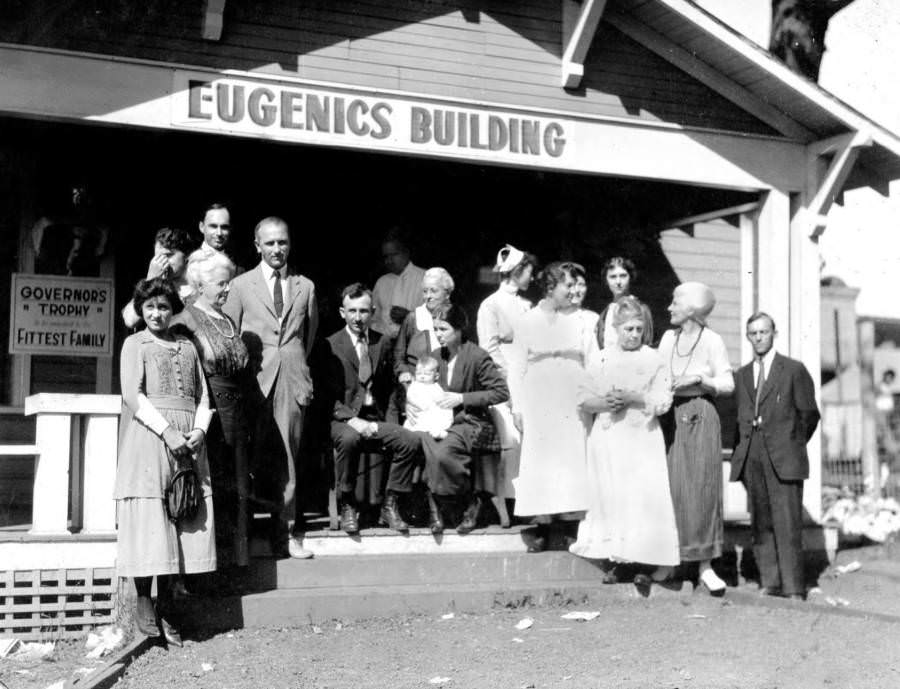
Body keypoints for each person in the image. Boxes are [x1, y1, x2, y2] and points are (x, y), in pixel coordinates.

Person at [114, 277, 215, 646]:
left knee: (182, 515)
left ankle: (169, 605)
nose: (157, 313)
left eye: (163, 306)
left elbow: (204, 396)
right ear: (141, 310)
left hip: (188, 442)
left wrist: (200, 430)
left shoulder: (187, 346)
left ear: (173, 309)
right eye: (150, 307)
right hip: (151, 437)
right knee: (151, 518)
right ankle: (144, 598)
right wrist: (167, 433)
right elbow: (133, 395)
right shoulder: (135, 344)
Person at [223, 216, 318, 559]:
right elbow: (229, 335)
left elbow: (308, 337)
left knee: (289, 457)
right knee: (250, 457)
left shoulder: (304, 286)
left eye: (283, 242)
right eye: (270, 243)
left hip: (291, 380)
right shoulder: (241, 285)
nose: (277, 249)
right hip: (254, 381)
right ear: (257, 245)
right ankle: (247, 538)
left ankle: (287, 534)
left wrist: (295, 368)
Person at [569, 296, 679, 585]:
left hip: (641, 438)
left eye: (638, 329)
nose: (633, 335)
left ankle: (646, 562)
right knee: (613, 496)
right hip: (609, 437)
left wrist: (634, 397)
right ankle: (618, 560)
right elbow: (582, 398)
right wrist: (605, 402)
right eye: (628, 329)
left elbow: (663, 400)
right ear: (616, 328)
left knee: (642, 498)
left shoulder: (653, 359)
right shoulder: (601, 358)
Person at [508, 261, 599, 551]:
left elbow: (594, 361)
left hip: (573, 397)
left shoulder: (585, 320)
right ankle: (543, 523)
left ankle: (570, 523)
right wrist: (517, 407)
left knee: (572, 457)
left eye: (576, 285)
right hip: (538, 398)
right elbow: (516, 367)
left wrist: (594, 398)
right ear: (550, 287)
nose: (574, 291)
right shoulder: (527, 320)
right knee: (542, 458)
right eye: (567, 285)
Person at [730, 312, 820, 600]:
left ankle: (794, 587)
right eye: (753, 333)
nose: (758, 338)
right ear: (748, 337)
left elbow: (809, 414)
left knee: (787, 523)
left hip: (784, 457)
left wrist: (790, 444)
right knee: (761, 522)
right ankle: (771, 582)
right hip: (753, 456)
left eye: (763, 332)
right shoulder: (742, 375)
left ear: (774, 333)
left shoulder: (793, 370)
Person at [322, 283, 420, 535]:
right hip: (342, 418)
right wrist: (350, 419)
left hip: (374, 415)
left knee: (407, 440)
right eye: (352, 311)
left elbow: (387, 391)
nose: (358, 317)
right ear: (342, 313)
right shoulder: (330, 345)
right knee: (350, 438)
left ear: (373, 312)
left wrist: (391, 424)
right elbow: (326, 396)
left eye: (364, 311)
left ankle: (390, 504)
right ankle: (347, 503)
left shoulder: (383, 342)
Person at [175, 250, 252, 568]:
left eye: (229, 282)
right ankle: (207, 570)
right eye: (222, 283)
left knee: (235, 491)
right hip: (209, 414)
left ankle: (235, 565)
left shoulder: (227, 318)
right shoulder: (187, 318)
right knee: (212, 490)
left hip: (236, 414)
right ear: (200, 284)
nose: (228, 289)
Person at [657, 281, 734, 595]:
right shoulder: (667, 338)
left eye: (675, 302)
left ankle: (705, 566)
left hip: (701, 414)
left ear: (691, 308)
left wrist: (700, 379)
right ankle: (669, 559)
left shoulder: (712, 340)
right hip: (670, 415)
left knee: (702, 490)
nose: (669, 308)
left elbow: (727, 383)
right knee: (671, 488)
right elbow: (657, 374)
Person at [417, 304, 510, 535]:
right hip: (438, 420)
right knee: (422, 441)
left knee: (442, 453)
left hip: (471, 421)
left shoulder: (477, 356)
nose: (438, 335)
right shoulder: (436, 357)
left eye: (443, 329)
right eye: (435, 329)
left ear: (458, 329)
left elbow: (500, 392)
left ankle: (462, 502)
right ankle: (439, 504)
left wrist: (462, 397)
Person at [476, 244, 536, 526]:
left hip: (530, 377)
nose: (532, 278)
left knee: (528, 443)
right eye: (528, 272)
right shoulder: (491, 305)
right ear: (516, 272)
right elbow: (488, 349)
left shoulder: (527, 305)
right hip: (504, 382)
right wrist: (508, 385)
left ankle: (528, 502)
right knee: (509, 442)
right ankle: (506, 504)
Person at [394, 267, 455, 415]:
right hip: (416, 390)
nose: (428, 296)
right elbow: (398, 355)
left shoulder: (456, 317)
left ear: (447, 293)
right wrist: (403, 373)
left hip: (447, 392)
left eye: (433, 291)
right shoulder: (413, 318)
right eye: (425, 291)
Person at [122, 227, 195, 328]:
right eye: (158, 256)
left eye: (168, 255)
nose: (161, 261)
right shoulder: (154, 287)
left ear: (187, 256)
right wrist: (150, 281)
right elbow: (130, 321)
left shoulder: (201, 287)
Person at [371, 230, 426, 339]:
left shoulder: (426, 278)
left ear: (406, 253)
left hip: (418, 349)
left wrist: (409, 317)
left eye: (394, 254)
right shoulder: (382, 282)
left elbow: (440, 319)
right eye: (386, 256)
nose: (389, 261)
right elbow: (374, 320)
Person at [595, 257, 653, 349]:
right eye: (613, 277)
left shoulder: (641, 308)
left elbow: (647, 342)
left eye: (623, 276)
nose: (618, 282)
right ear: (606, 280)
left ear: (630, 277)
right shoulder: (605, 313)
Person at [404, 357, 454, 439]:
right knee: (413, 425)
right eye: (419, 374)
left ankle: (440, 430)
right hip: (421, 413)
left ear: (436, 376)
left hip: (433, 413)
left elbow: (442, 400)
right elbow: (411, 398)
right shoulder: (415, 386)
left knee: (444, 412)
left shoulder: (436, 388)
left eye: (427, 374)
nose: (422, 377)